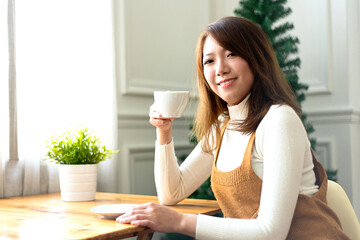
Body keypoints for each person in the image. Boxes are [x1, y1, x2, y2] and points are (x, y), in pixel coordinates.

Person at [117, 16, 349, 239]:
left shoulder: (279, 120)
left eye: (231, 54)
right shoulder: (222, 126)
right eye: (209, 61)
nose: (220, 68)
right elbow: (171, 192)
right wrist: (164, 131)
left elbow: (271, 232)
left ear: (255, 58)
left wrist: (179, 222)